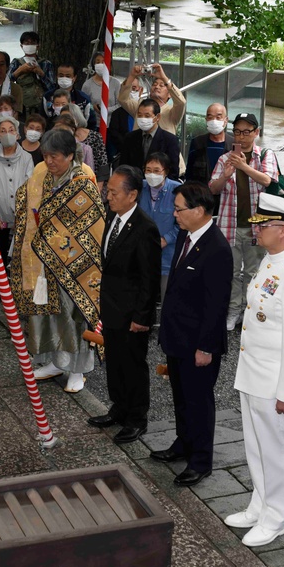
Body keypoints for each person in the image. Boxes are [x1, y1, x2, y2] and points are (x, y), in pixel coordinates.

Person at [225, 191, 284, 548]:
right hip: (255, 374)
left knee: (277, 451)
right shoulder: (270, 260)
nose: (256, 231)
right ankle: (259, 504)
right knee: (256, 446)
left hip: (275, 382)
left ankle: (276, 518)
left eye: (263, 226)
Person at [10, 130, 105, 394]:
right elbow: (24, 200)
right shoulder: (41, 173)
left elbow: (92, 221)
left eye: (55, 156)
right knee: (49, 314)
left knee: (74, 315)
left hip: (75, 264)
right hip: (43, 260)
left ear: (70, 156)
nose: (49, 161)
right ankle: (56, 362)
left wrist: (51, 227)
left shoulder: (83, 179)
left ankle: (77, 369)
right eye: (46, 156)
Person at [154, 181, 233, 488]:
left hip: (198, 343)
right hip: (177, 337)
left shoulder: (216, 248)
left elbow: (216, 305)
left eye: (178, 209)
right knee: (181, 398)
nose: (175, 215)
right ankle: (183, 444)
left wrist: (206, 347)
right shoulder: (188, 236)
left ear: (199, 211)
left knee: (199, 402)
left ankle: (201, 460)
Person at [87, 166, 160, 443]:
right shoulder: (112, 217)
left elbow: (148, 278)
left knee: (133, 365)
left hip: (132, 314)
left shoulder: (145, 229)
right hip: (112, 308)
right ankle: (118, 408)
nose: (108, 197)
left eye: (114, 193)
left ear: (132, 195)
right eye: (108, 192)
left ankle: (136, 418)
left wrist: (141, 317)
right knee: (114, 362)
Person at [208, 113, 279, 331]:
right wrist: (226, 174)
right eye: (237, 131)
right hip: (229, 225)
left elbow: (268, 181)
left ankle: (251, 311)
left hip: (257, 226)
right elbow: (213, 189)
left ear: (256, 133)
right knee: (231, 272)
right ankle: (233, 310)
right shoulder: (224, 159)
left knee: (253, 272)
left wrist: (244, 166)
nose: (242, 136)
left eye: (247, 132)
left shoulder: (265, 155)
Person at [0, 117, 34, 267]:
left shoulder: (26, 158)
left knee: (20, 260)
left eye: (11, 130)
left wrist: (23, 215)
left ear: (18, 134)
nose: (7, 134)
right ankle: (0, 288)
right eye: (3, 131)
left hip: (21, 217)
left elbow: (30, 188)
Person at [138, 152, 181, 301]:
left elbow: (182, 223)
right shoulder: (139, 188)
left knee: (167, 299)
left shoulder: (177, 190)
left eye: (156, 170)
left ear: (166, 172)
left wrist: (165, 239)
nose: (151, 174)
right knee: (142, 299)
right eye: (148, 170)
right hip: (142, 253)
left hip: (168, 255)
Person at [119, 99, 181, 180]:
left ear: (157, 117)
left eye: (147, 116)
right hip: (134, 186)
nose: (142, 119)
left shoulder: (170, 140)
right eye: (140, 115)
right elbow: (123, 167)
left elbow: (173, 171)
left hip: (159, 187)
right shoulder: (130, 138)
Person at [117, 63, 186, 136]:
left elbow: (181, 102)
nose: (156, 87)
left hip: (162, 147)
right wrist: (132, 76)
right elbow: (123, 99)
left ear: (169, 94)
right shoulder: (140, 106)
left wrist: (164, 77)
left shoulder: (172, 112)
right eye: (154, 84)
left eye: (161, 85)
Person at [9, 31, 55, 117]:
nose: (29, 45)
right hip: (22, 106)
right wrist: (19, 71)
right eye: (26, 43)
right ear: (21, 46)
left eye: (33, 43)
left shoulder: (46, 63)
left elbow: (52, 88)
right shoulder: (16, 62)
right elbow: (6, 83)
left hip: (41, 106)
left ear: (38, 46)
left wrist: (41, 74)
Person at [186, 103, 233, 185]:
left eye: (218, 117)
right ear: (206, 120)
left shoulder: (233, 145)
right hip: (201, 193)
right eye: (210, 117)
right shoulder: (197, 143)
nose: (214, 121)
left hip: (226, 195)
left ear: (226, 120)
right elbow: (189, 174)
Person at [44, 63, 96, 130]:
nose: (64, 78)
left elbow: (91, 124)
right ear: (57, 76)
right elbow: (43, 119)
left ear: (74, 78)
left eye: (68, 76)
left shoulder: (84, 99)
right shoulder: (47, 97)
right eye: (61, 75)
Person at [80, 53, 121, 119]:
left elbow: (120, 104)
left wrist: (106, 110)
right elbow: (83, 104)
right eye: (98, 62)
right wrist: (93, 107)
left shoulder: (116, 83)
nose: (101, 64)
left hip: (111, 123)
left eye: (103, 62)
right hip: (94, 123)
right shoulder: (87, 85)